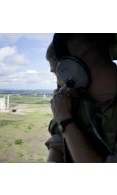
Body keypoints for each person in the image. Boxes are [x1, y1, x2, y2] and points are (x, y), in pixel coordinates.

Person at [45, 33, 117, 163]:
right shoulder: (77, 101)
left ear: (72, 70)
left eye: (58, 73)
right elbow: (59, 140)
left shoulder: (69, 107)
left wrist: (66, 121)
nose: (60, 82)